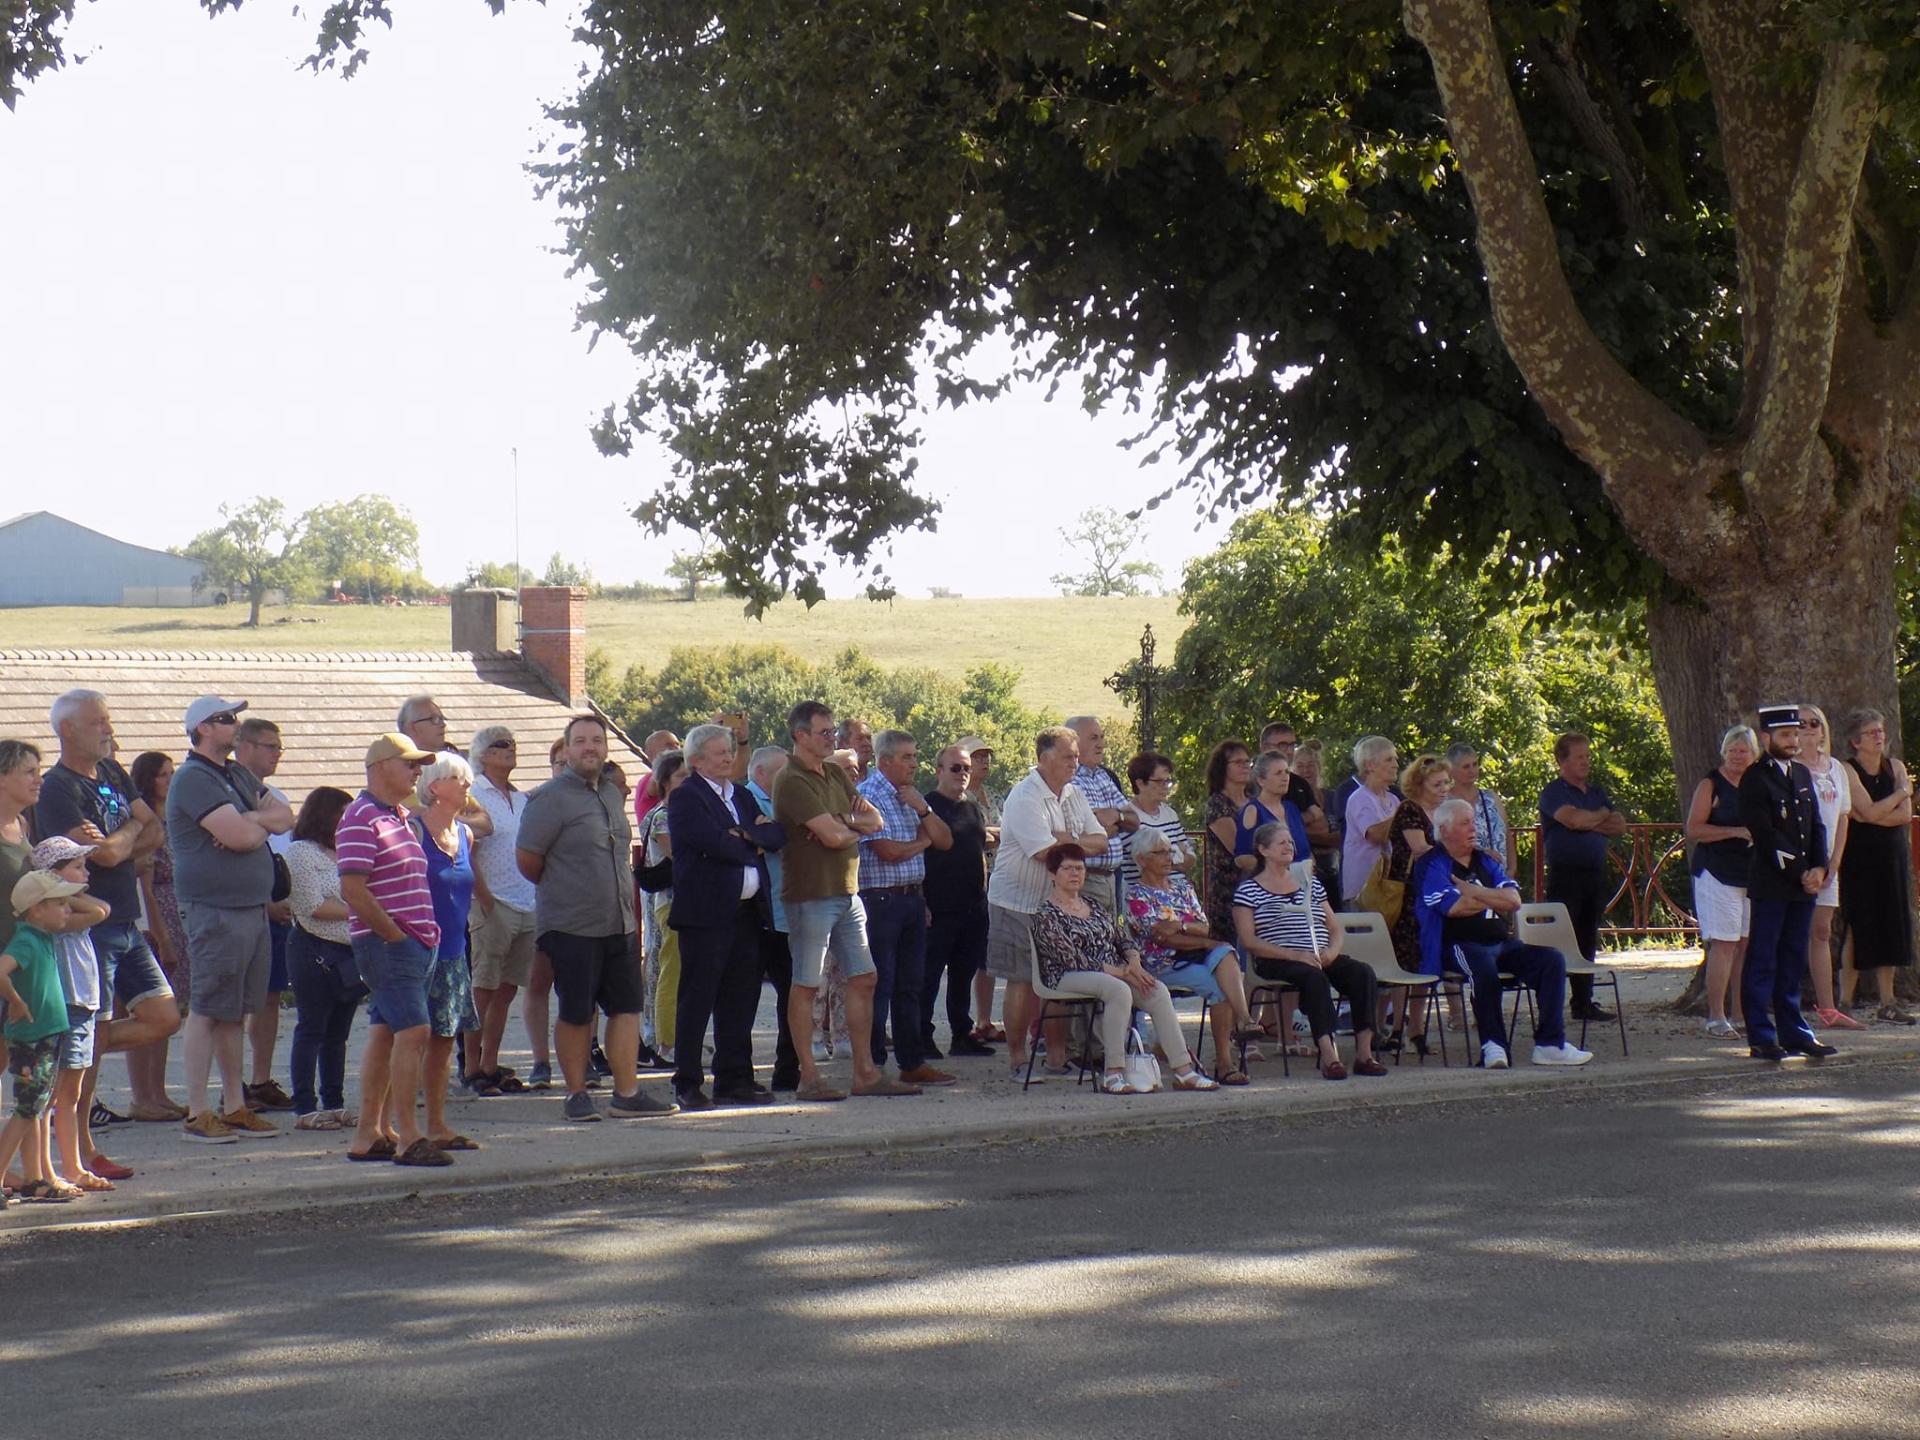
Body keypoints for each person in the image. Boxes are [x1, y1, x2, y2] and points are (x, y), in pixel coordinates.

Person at [34, 691, 181, 1174]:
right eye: (98, 722)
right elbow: (108, 856)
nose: (107, 728)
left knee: (164, 1017)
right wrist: (132, 832)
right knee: (90, 1040)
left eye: (108, 720)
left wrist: (127, 835)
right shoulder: (58, 788)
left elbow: (154, 828)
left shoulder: (115, 773)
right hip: (90, 926)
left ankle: (74, 1043)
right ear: (68, 731)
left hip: (126, 923)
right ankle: (84, 1149)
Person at [517, 714, 676, 1122]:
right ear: (567, 750)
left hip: (619, 922)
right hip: (571, 924)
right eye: (581, 741)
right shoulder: (548, 799)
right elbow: (528, 862)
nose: (590, 747)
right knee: (576, 1011)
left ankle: (627, 1093)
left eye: (597, 740)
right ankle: (575, 1094)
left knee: (625, 1008)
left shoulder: (610, 794)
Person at [772, 700, 917, 1100]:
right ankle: (808, 1077)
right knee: (806, 984)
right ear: (800, 736)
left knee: (865, 977)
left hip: (848, 892)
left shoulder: (835, 772)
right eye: (823, 732)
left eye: (832, 731)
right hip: (811, 895)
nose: (831, 738)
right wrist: (844, 826)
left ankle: (864, 1073)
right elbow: (837, 836)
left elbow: (874, 821)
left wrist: (842, 823)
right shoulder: (792, 781)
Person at [165, 695, 292, 1143]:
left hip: (250, 908)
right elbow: (239, 838)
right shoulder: (193, 778)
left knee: (235, 1012)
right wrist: (254, 823)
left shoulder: (236, 773)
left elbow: (283, 814)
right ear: (202, 728)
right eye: (224, 719)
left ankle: (234, 1105)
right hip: (215, 910)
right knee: (206, 1009)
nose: (234, 724)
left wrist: (250, 816)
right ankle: (198, 1111)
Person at [338, 732, 450, 1166]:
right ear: (382, 765)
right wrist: (392, 934)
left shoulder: (401, 816)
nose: (417, 771)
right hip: (391, 944)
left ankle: (369, 1132)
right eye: (409, 764)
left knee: (386, 1032)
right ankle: (409, 1136)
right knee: (414, 1032)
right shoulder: (360, 817)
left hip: (413, 942)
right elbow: (352, 887)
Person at [1414, 799, 1593, 1068]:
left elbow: (1514, 901)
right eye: (1465, 823)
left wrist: (1474, 891)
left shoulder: (1484, 860)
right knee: (1482, 969)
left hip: (1501, 942)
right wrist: (1493, 898)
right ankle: (1493, 1045)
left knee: (1552, 960)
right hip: (1458, 944)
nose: (1473, 828)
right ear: (1445, 829)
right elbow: (1454, 908)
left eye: (1473, 821)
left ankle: (1550, 1044)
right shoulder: (1432, 864)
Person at [1030, 845, 1218, 1095]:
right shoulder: (1045, 914)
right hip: (1065, 975)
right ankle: (1113, 1074)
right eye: (1067, 869)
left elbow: (1122, 939)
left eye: (1079, 868)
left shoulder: (1094, 906)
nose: (1075, 874)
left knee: (1157, 989)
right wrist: (1121, 972)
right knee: (1118, 990)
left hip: (1112, 973)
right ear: (1053, 874)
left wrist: (1134, 963)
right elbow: (1070, 958)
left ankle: (1184, 1071)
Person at [667, 724, 787, 1108]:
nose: (728, 758)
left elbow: (777, 835)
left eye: (729, 751)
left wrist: (747, 835)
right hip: (706, 914)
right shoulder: (688, 796)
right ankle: (687, 1081)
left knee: (741, 997)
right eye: (719, 752)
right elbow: (714, 844)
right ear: (697, 759)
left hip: (748, 914)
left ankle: (734, 1077)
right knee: (698, 998)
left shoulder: (741, 796)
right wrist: (749, 839)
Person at [982, 726, 1110, 1079]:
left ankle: (1056, 1057)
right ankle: (1018, 1059)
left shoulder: (1073, 793)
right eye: (1068, 756)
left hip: (1056, 906)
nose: (1076, 762)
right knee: (1021, 980)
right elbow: (1043, 852)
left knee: (1057, 978)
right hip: (1017, 902)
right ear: (1044, 758)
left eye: (1076, 755)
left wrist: (1064, 839)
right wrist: (1071, 843)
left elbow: (1102, 841)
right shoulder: (1025, 797)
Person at [1232, 823, 1384, 1079]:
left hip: (1318, 954)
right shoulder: (1249, 890)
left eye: (1290, 842)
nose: (1289, 847)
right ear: (1263, 850)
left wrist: (1332, 952)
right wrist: (1294, 954)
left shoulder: (1310, 883)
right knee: (1314, 978)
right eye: (1281, 843)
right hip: (1277, 958)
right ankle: (1329, 1055)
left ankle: (1364, 1054)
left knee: (1362, 973)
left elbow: (1335, 927)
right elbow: (1249, 940)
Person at [856, 729, 956, 1087]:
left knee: (911, 984)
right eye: (907, 757)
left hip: (913, 899)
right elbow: (887, 851)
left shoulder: (910, 798)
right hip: (881, 899)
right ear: (885, 762)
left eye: (915, 756)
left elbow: (944, 841)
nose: (914, 763)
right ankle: (873, 1065)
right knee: (880, 984)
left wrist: (923, 809)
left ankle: (912, 1062)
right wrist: (922, 841)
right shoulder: (868, 796)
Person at [1738, 705, 1837, 1061]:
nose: (1793, 741)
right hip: (1772, 883)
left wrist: (1819, 868)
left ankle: (1795, 1032)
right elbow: (1765, 835)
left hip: (1802, 886)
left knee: (1793, 959)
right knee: (1764, 958)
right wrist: (1801, 871)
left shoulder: (1801, 774)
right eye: (1785, 735)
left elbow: (1816, 828)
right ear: (1766, 738)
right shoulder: (1755, 778)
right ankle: (1762, 1036)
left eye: (1795, 734)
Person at [1127, 827, 1258, 1083]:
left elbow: (1204, 926)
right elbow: (1161, 938)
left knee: (1225, 952)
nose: (1168, 858)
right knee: (1220, 983)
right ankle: (1226, 1061)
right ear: (1141, 859)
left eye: (1169, 852)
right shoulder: (1136, 895)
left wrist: (1180, 926)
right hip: (1163, 962)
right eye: (1160, 853)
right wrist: (1199, 938)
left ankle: (1242, 1021)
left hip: (1196, 954)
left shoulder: (1183, 887)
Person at [0, 870, 90, 1207]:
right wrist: (16, 1001)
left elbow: (93, 911)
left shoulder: (42, 937)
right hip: (32, 1040)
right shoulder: (25, 941)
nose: (68, 910)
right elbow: (1, 970)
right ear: (36, 910)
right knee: (27, 1109)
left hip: (47, 1037)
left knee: (36, 1107)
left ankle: (35, 1178)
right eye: (60, 904)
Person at [32, 838, 113, 1193]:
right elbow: (98, 912)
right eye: (77, 867)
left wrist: (70, 888)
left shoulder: (67, 904)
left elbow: (102, 908)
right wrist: (58, 889)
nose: (86, 873)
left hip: (84, 1002)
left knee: (73, 1091)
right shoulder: (50, 913)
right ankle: (45, 1169)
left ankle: (74, 1165)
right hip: (59, 1004)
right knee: (47, 1092)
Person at [412, 751, 484, 1150]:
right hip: (417, 951)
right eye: (459, 777)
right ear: (435, 785)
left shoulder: (466, 835)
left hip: (455, 951)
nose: (467, 784)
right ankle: (397, 1124)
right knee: (407, 1040)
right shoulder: (414, 831)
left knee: (442, 1043)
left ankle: (437, 1124)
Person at [464, 725, 537, 1094]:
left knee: (507, 989)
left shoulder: (521, 798)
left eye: (512, 742)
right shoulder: (473, 794)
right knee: (483, 987)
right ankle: (472, 1067)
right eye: (500, 744)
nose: (510, 748)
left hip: (526, 900)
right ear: (482, 754)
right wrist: (484, 897)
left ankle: (491, 1062)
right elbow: (467, 848)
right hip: (493, 902)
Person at [284, 787, 360, 1129]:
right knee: (312, 1028)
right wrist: (363, 911)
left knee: (338, 1033)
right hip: (313, 949)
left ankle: (334, 1100)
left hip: (349, 951)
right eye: (343, 813)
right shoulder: (301, 852)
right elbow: (312, 905)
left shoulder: (345, 852)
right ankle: (304, 1106)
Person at [1537, 732, 1625, 1022]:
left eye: (1588, 756)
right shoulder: (1554, 792)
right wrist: (1596, 817)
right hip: (1565, 876)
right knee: (1562, 939)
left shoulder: (1596, 792)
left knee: (1588, 937)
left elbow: (1619, 825)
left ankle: (1583, 1002)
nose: (1586, 761)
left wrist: (1589, 821)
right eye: (1579, 757)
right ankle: (1550, 1005)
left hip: (1594, 874)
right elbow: (1572, 820)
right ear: (1562, 761)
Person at [232, 716, 296, 1114]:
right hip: (245, 909)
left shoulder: (273, 794)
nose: (277, 753)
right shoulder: (227, 792)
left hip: (277, 911)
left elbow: (285, 829)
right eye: (271, 746)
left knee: (268, 998)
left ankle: (260, 1078)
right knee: (234, 1004)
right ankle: (232, 1084)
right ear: (247, 747)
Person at [1839, 707, 1915, 1023]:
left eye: (1881, 731)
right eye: (1872, 732)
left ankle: (1888, 1001)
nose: (1879, 736)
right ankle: (1843, 1001)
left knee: (1892, 924)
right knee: (1858, 925)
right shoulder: (1847, 769)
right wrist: (1900, 793)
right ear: (1856, 741)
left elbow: (1903, 815)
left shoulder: (1895, 766)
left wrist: (1877, 812)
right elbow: (1865, 812)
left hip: (1893, 855)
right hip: (1859, 858)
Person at [1685, 724, 1757, 1039]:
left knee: (1744, 944)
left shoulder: (1758, 784)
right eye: (1732, 750)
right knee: (1724, 943)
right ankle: (1716, 1015)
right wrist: (1735, 831)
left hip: (1751, 873)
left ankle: (1741, 1012)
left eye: (1743, 750)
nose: (1738, 756)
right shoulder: (1711, 784)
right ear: (1724, 752)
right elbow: (1695, 829)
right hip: (1717, 872)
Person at [922, 743, 994, 1058]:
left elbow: (979, 848)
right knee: (928, 976)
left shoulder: (972, 807)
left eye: (966, 768)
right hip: (938, 906)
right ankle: (922, 1035)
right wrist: (921, 902)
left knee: (963, 975)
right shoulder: (926, 806)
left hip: (973, 906)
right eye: (955, 768)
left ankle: (962, 1035)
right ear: (938, 771)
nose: (962, 774)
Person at [129, 750, 188, 1120]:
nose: (169, 779)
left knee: (169, 1008)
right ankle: (142, 1095)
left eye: (171, 773)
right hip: (156, 916)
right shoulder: (145, 824)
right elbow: (147, 886)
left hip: (180, 912)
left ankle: (159, 1091)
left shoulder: (175, 817)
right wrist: (162, 937)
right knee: (147, 1008)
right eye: (162, 774)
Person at [743, 744, 801, 1089]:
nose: (787, 778)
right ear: (761, 773)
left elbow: (783, 838)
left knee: (792, 995)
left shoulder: (787, 802)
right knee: (744, 997)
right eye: (782, 772)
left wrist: (771, 834)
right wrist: (763, 835)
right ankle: (740, 1072)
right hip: (754, 916)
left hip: (786, 913)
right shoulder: (744, 801)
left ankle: (788, 1069)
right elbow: (751, 841)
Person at [1796, 704, 1857, 1031]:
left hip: (1828, 864)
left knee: (1821, 931)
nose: (1807, 728)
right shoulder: (1787, 767)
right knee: (1787, 931)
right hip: (1797, 864)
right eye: (1800, 723)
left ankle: (1828, 1007)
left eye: (1814, 722)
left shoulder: (1835, 768)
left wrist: (1834, 861)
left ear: (1823, 729)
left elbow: (1843, 816)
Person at [638, 749, 688, 1071]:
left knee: (684, 973)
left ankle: (680, 1036)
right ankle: (665, 1042)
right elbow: (680, 854)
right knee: (670, 972)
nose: (688, 782)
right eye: (682, 776)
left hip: (690, 902)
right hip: (670, 902)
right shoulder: (662, 815)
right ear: (666, 782)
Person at [958, 736, 1005, 1045]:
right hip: (971, 881)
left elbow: (1008, 832)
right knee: (971, 952)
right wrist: (990, 835)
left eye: (987, 755)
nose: (984, 761)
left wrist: (992, 834)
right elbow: (972, 836)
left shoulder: (996, 795)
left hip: (1000, 879)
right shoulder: (958, 800)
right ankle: (970, 1020)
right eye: (977, 756)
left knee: (991, 955)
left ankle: (986, 1019)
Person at [395, 695, 493, 836]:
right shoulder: (395, 773)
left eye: (442, 719)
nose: (443, 725)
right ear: (413, 727)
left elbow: (485, 825)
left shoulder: (446, 770)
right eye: (434, 719)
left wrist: (448, 816)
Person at [1066, 715, 1134, 915]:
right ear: (1074, 742)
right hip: (1083, 881)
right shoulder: (1069, 779)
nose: (1101, 745)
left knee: (1110, 942)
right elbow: (1083, 829)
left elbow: (1134, 819)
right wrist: (1114, 821)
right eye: (1094, 738)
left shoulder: (1104, 776)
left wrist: (1116, 816)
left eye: (1102, 738)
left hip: (1112, 879)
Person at [1201, 740, 1254, 940]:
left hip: (1259, 885)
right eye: (1238, 762)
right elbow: (1238, 847)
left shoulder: (1255, 801)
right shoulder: (1217, 804)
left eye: (1248, 762)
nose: (1245, 766)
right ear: (1223, 767)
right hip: (1229, 889)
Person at [1341, 736, 1401, 907]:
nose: (1396, 764)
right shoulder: (1359, 798)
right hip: (1363, 890)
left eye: (1395, 759)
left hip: (1387, 888)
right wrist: (1405, 813)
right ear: (1369, 765)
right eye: (1389, 759)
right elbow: (1375, 834)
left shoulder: (1393, 800)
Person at [1258, 721, 1332, 859]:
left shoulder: (1299, 783)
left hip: (1301, 863)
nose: (1289, 750)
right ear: (1265, 747)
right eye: (1282, 745)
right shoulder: (1249, 782)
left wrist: (1291, 821)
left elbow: (1320, 822)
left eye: (1292, 745)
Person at [1122, 751, 1194, 893]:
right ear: (1141, 784)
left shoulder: (1170, 814)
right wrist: (1178, 853)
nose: (1166, 786)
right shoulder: (1128, 818)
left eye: (1168, 781)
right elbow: (1144, 863)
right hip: (1146, 897)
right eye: (1160, 781)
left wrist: (1163, 857)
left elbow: (1191, 859)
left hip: (1179, 893)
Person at [1234, 750, 1311, 873]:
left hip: (1302, 882)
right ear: (1261, 780)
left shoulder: (1291, 809)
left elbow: (1305, 849)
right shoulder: (1253, 810)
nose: (1285, 777)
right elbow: (1242, 858)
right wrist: (1277, 871)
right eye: (1278, 773)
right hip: (1268, 885)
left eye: (1286, 772)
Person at [1445, 741, 1514, 875]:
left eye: (1475, 764)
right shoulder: (1444, 803)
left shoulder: (1491, 798)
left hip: (1500, 877)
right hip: (1465, 877)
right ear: (1451, 771)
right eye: (1466, 767)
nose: (1472, 770)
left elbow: (1507, 835)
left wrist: (1511, 869)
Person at [1291, 740, 1340, 893]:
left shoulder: (1332, 796)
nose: (1306, 770)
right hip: (1305, 872)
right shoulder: (1289, 801)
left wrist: (1307, 832)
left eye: (1311, 765)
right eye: (1300, 766)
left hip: (1335, 871)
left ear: (1319, 768)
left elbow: (1342, 836)